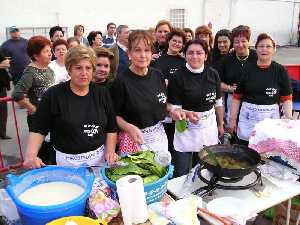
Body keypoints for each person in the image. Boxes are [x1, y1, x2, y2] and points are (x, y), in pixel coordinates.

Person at [23, 45, 119, 169]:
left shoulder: (102, 93)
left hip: (98, 162)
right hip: (66, 163)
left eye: (88, 68)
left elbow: (111, 127)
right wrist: (31, 155)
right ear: (69, 69)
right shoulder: (53, 95)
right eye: (78, 68)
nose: (84, 73)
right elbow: (38, 129)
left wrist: (110, 151)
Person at [167, 39, 224, 177]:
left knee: (207, 167)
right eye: (190, 53)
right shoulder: (178, 77)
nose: (195, 56)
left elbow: (218, 102)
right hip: (186, 128)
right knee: (182, 170)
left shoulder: (213, 74)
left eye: (199, 53)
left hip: (209, 126)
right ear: (185, 55)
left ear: (205, 55)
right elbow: (175, 108)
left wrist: (220, 124)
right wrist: (186, 115)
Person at [110, 30, 168, 155]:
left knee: (161, 172)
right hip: (133, 141)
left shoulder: (157, 75)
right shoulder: (120, 82)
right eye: (137, 50)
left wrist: (176, 111)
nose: (143, 55)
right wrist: (128, 127)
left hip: (158, 138)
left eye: (147, 50)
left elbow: (162, 102)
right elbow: (113, 116)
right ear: (129, 53)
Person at [229, 33, 293, 145]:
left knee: (267, 152)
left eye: (268, 46)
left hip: (270, 121)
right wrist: (232, 120)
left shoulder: (280, 70)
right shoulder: (246, 69)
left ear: (274, 49)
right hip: (247, 121)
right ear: (256, 49)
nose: (264, 49)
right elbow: (236, 97)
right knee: (245, 153)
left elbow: (286, 99)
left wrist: (288, 120)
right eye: (261, 46)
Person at [12, 36, 55, 163]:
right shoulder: (30, 72)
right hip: (38, 119)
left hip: (50, 115)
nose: (50, 54)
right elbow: (17, 94)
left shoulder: (49, 69)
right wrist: (32, 108)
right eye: (46, 51)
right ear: (36, 56)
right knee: (41, 151)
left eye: (50, 50)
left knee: (51, 148)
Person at [151, 28, 186, 161]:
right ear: (168, 41)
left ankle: (176, 168)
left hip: (178, 107)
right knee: (162, 140)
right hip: (160, 105)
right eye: (174, 40)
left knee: (177, 139)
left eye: (180, 42)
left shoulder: (184, 62)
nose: (176, 44)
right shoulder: (157, 59)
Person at [216, 25, 257, 126]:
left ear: (249, 42)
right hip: (232, 99)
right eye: (236, 42)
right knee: (232, 126)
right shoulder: (226, 60)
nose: (240, 45)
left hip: (253, 100)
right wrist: (229, 88)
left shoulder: (257, 57)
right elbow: (217, 82)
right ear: (232, 43)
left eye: (243, 41)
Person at [0, 53, 11, 139]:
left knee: (3, 112)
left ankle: (2, 133)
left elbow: (6, 63)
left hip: (2, 86)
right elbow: (5, 63)